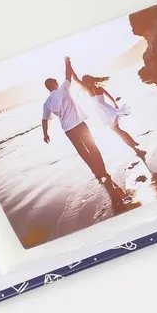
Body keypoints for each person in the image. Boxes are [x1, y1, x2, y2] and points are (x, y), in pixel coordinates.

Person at [42, 57, 127, 205]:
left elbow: (44, 119)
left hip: (68, 130)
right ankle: (102, 171)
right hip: (79, 125)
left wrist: (45, 134)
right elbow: (68, 75)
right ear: (54, 84)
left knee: (82, 151)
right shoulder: (63, 89)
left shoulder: (47, 102)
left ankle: (96, 172)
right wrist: (67, 62)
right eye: (56, 82)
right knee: (92, 147)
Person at [72, 72, 147, 161]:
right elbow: (109, 96)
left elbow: (76, 79)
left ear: (85, 82)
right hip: (109, 111)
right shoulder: (99, 88)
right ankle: (135, 147)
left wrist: (69, 66)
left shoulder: (89, 90)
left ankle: (135, 147)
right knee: (119, 131)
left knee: (118, 132)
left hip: (105, 114)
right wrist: (115, 104)